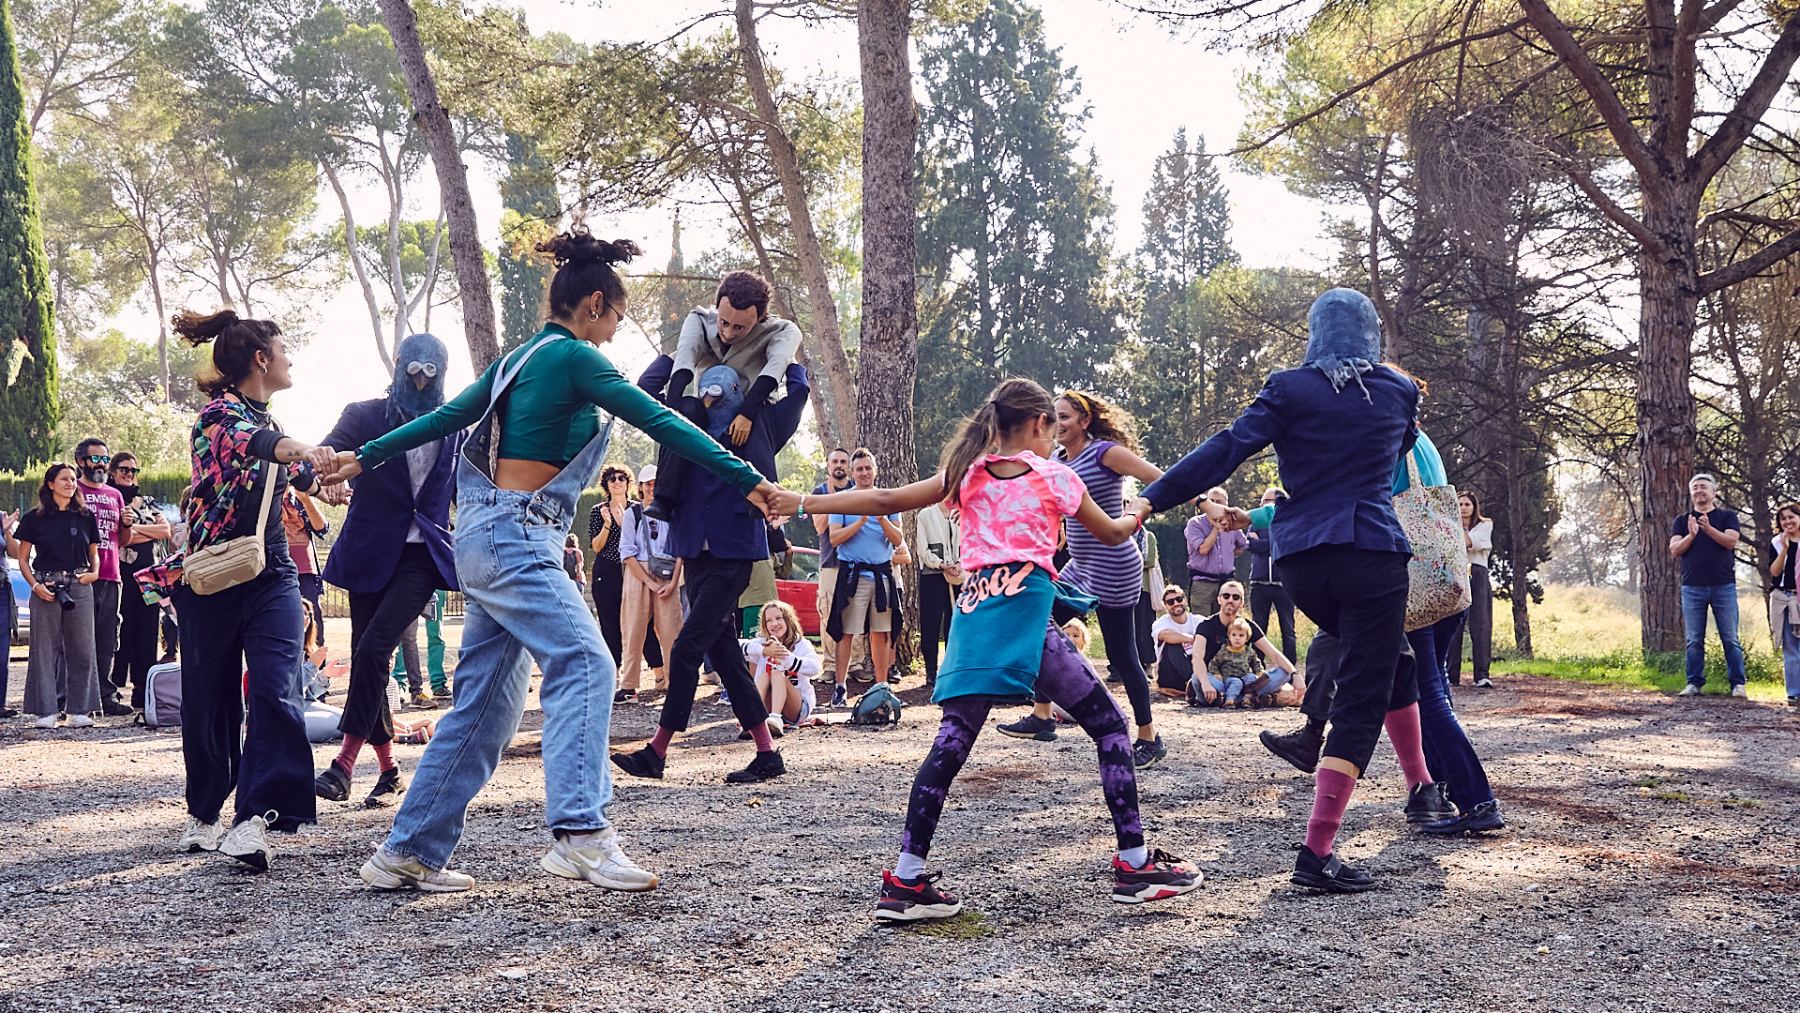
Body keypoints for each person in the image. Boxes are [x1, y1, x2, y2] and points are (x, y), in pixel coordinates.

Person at [321, 231, 781, 894]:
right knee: (587, 662)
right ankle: (581, 833)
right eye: (617, 316)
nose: (616, 330)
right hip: (517, 537)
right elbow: (664, 423)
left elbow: (445, 418)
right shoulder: (572, 357)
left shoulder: (517, 358)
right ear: (594, 304)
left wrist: (364, 455)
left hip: (482, 536)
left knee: (485, 708)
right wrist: (746, 477)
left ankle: (408, 850)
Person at [776, 377, 1200, 921]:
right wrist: (1141, 507)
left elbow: (885, 498)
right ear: (1039, 423)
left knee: (950, 744)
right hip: (1024, 621)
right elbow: (1116, 534)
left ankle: (905, 880)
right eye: (1052, 428)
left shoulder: (967, 473)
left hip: (973, 620)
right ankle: (1135, 865)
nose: (1055, 439)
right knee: (1112, 727)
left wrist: (802, 500)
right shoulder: (1055, 476)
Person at [1128, 288, 1448, 893]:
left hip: (1302, 563)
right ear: (1373, 334)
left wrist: (1151, 500)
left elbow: (1226, 449)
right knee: (1362, 695)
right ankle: (1317, 853)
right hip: (1372, 556)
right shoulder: (1399, 391)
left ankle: (1423, 787)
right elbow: (1397, 452)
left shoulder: (1289, 388)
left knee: (1392, 660)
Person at [141, 308, 329, 869]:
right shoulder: (218, 418)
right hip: (213, 573)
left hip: (271, 571)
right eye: (284, 350)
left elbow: (302, 474)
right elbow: (265, 446)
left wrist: (337, 472)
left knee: (276, 687)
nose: (292, 360)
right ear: (261, 360)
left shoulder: (269, 420)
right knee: (208, 699)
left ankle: (254, 819)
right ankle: (204, 813)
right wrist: (304, 452)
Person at [611, 355, 809, 785]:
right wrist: (682, 354)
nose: (713, 397)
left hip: (733, 554)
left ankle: (657, 751)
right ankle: (766, 753)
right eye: (707, 389)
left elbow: (799, 392)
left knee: (685, 649)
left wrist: (784, 357)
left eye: (724, 390)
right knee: (726, 657)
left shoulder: (758, 425)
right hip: (695, 554)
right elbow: (645, 390)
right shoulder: (683, 425)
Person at [312, 332, 461, 808]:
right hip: (369, 550)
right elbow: (327, 455)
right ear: (397, 365)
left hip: (423, 556)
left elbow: (469, 490)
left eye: (430, 372)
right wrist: (321, 474)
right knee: (366, 657)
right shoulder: (364, 415)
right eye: (412, 370)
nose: (419, 381)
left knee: (376, 647)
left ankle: (343, 765)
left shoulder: (456, 424)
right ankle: (390, 770)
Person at [998, 390, 1168, 767]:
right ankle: (1043, 716)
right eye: (1053, 417)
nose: (1056, 424)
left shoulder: (1105, 452)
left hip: (1115, 564)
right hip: (1080, 564)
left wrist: (1196, 503)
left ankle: (1148, 736)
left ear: (1084, 421)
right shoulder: (1057, 459)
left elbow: (1160, 479)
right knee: (1038, 625)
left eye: (1065, 417)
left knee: (1122, 655)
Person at [646, 271, 803, 518]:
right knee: (684, 413)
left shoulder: (782, 330)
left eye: (740, 327)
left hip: (749, 413)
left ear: (760, 317)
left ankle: (764, 497)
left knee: (761, 418)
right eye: (724, 322)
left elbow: (776, 367)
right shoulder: (699, 319)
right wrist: (673, 412)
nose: (728, 334)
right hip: (704, 411)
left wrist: (747, 413)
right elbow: (685, 356)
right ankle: (664, 497)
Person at [14, 463, 103, 729]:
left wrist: (94, 573)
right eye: (64, 479)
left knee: (83, 647)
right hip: (46, 584)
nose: (70, 483)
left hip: (79, 583)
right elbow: (22, 559)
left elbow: (94, 553)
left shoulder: (85, 516)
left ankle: (79, 710)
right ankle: (46, 711)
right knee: (44, 649)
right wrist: (35, 586)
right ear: (51, 484)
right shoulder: (34, 518)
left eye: (73, 479)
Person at [823, 449, 903, 707]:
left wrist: (880, 519)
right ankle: (840, 688)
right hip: (852, 575)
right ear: (852, 472)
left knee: (881, 633)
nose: (864, 473)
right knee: (845, 633)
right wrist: (861, 521)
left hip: (882, 574)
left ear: (875, 470)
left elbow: (898, 539)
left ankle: (881, 687)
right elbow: (834, 538)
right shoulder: (842, 500)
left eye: (868, 468)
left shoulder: (887, 499)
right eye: (859, 469)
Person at [1670, 473, 1747, 698]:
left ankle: (1738, 684)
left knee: (1730, 638)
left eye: (1703, 486)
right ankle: (1694, 683)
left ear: (1714, 492)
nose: (1699, 491)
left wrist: (1708, 529)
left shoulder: (1727, 516)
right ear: (1691, 493)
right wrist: (1692, 534)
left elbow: (1731, 542)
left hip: (1723, 586)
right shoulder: (1682, 521)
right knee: (1694, 639)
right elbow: (1675, 549)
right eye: (1695, 487)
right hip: (1692, 587)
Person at [72, 438, 133, 717]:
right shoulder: (73, 490)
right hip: (81, 575)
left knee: (107, 639)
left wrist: (127, 524)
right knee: (77, 639)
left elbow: (123, 540)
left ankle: (104, 696)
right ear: (81, 461)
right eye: (95, 458)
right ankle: (74, 697)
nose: (101, 464)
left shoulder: (115, 494)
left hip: (111, 574)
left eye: (105, 459)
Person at [109, 453, 172, 712]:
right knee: (120, 630)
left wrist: (135, 531)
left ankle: (142, 690)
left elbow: (165, 531)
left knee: (148, 631)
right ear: (113, 471)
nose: (129, 474)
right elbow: (116, 537)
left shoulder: (146, 501)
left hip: (149, 575)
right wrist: (143, 533)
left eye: (133, 470)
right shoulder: (110, 499)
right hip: (120, 574)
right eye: (124, 469)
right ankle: (111, 689)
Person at [616, 465, 681, 703]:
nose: (652, 488)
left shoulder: (673, 512)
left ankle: (676, 683)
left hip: (668, 574)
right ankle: (629, 685)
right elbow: (627, 552)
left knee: (672, 632)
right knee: (633, 630)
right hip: (638, 573)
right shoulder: (632, 513)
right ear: (641, 487)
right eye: (648, 484)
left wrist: (673, 582)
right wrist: (648, 582)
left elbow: (681, 549)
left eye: (656, 483)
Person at [1191, 581, 1296, 703]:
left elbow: (1274, 654)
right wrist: (1205, 683)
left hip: (1244, 682)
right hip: (1217, 680)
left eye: (1236, 597)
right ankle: (1249, 698)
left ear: (1241, 603)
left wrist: (1296, 674)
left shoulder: (1247, 626)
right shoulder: (1205, 626)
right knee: (1197, 678)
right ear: (1219, 599)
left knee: (1284, 672)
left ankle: (1235, 698)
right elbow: (1197, 658)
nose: (1230, 600)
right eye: (1226, 596)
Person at [812, 448, 865, 678]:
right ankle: (830, 666)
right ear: (828, 466)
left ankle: (856, 665)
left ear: (849, 468)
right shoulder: (820, 492)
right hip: (830, 563)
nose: (839, 466)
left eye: (843, 462)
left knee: (856, 613)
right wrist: (833, 498)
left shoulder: (858, 491)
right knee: (827, 614)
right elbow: (819, 527)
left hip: (855, 562)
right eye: (835, 462)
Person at [742, 600, 820, 734]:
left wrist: (786, 657)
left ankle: (775, 718)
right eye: (769, 620)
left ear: (788, 620)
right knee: (766, 674)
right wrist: (763, 651)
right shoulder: (762, 643)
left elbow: (815, 668)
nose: (774, 624)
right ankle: (753, 717)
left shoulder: (802, 644)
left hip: (797, 708)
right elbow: (735, 647)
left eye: (779, 618)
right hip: (768, 705)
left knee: (777, 672)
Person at [1248, 487, 1298, 663]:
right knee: (1258, 628)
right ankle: (1257, 667)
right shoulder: (1255, 523)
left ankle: (1290, 669)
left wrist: (1262, 542)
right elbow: (1251, 545)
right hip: (1259, 584)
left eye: (1266, 501)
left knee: (1288, 629)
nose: (1262, 505)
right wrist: (1269, 544)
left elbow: (1285, 544)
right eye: (1262, 501)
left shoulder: (1289, 522)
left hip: (1283, 585)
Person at [588, 466, 632, 665]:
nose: (617, 482)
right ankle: (614, 667)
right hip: (606, 569)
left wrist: (624, 524)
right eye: (612, 479)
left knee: (639, 620)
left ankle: (656, 667)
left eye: (621, 478)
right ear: (606, 484)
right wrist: (607, 524)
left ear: (628, 483)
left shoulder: (637, 510)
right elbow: (597, 547)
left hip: (633, 569)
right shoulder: (597, 511)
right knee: (609, 621)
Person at [915, 500, 962, 685]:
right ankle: (931, 672)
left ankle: (952, 669)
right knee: (930, 624)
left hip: (958, 575)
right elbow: (922, 548)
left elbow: (970, 543)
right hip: (932, 575)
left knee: (955, 623)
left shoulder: (962, 513)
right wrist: (940, 564)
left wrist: (960, 564)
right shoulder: (925, 515)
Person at [1450, 491, 1494, 687]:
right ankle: (1451, 675)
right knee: (1453, 624)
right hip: (1457, 574)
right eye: (1459, 504)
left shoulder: (1485, 524)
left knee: (1481, 624)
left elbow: (1469, 543)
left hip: (1478, 574)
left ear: (1474, 507)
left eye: (1467, 504)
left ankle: (1482, 674)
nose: (1463, 508)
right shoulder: (1450, 525)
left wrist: (1457, 527)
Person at [282, 487, 329, 647]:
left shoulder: (299, 498)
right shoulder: (264, 496)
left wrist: (306, 500)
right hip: (276, 565)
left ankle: (315, 658)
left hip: (305, 568)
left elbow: (322, 528)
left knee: (311, 614)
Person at [1184, 487, 1246, 611]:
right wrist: (1217, 527)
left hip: (1226, 584)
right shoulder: (1195, 523)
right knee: (1201, 621)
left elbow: (1243, 545)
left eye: (1219, 502)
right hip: (1203, 584)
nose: (1215, 505)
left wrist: (1228, 555)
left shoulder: (1232, 524)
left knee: (1226, 620)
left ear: (1226, 505)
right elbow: (1203, 549)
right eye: (1211, 501)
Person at [390, 590, 450, 706]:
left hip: (431, 587)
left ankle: (434, 685)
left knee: (430, 636)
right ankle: (399, 684)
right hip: (407, 587)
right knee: (405, 638)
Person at [1766, 503, 1800, 707]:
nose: (1787, 521)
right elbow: (1775, 572)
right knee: (1791, 647)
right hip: (1786, 599)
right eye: (1783, 518)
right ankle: (1794, 693)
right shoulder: (1777, 542)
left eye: (1791, 517)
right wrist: (1785, 549)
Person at [1149, 584, 1202, 701]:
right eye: (1170, 602)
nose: (1176, 603)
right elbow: (1165, 635)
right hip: (1171, 673)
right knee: (1171, 645)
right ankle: (1194, 683)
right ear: (1165, 606)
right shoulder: (1160, 623)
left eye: (1179, 599)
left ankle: (1197, 684)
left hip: (1195, 664)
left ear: (1185, 600)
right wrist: (1193, 639)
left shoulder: (1198, 620)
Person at [1206, 617, 1266, 707]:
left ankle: (1247, 698)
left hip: (1244, 676)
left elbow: (1256, 663)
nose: (1237, 638)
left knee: (1252, 677)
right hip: (1229, 678)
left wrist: (1259, 671)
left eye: (1241, 635)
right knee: (1236, 682)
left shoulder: (1249, 651)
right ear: (1229, 636)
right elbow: (1214, 663)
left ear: (1246, 638)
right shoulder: (1224, 651)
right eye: (1234, 635)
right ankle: (1230, 700)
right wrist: (1216, 673)